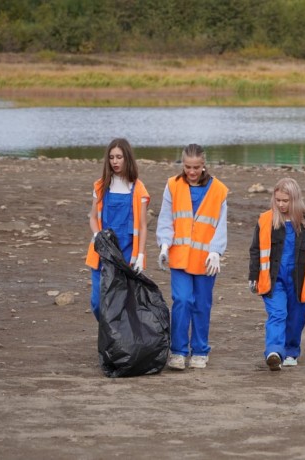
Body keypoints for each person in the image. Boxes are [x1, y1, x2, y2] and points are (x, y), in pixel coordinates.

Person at [156, 144, 228, 370]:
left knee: (202, 305)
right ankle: (177, 352)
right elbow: (166, 218)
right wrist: (164, 244)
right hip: (179, 257)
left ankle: (200, 351)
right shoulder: (172, 186)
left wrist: (216, 250)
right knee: (182, 301)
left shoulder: (218, 190)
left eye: (196, 167)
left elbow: (220, 224)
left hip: (206, 260)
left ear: (204, 165)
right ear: (182, 164)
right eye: (188, 167)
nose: (192, 171)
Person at [249, 178, 305, 371]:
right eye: (278, 200)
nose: (281, 204)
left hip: (299, 279)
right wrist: (253, 276)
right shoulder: (266, 220)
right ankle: (274, 351)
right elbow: (255, 250)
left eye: (285, 200)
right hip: (273, 278)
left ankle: (291, 351)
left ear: (295, 200)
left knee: (296, 317)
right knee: (278, 313)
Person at [85, 138, 149, 321]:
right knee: (98, 303)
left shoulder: (138, 188)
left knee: (122, 304)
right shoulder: (100, 186)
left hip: (127, 255)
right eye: (111, 157)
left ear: (127, 158)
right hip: (102, 255)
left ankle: (116, 344)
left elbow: (143, 226)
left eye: (119, 157)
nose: (115, 161)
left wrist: (141, 255)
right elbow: (93, 217)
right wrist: (97, 235)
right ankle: (108, 334)